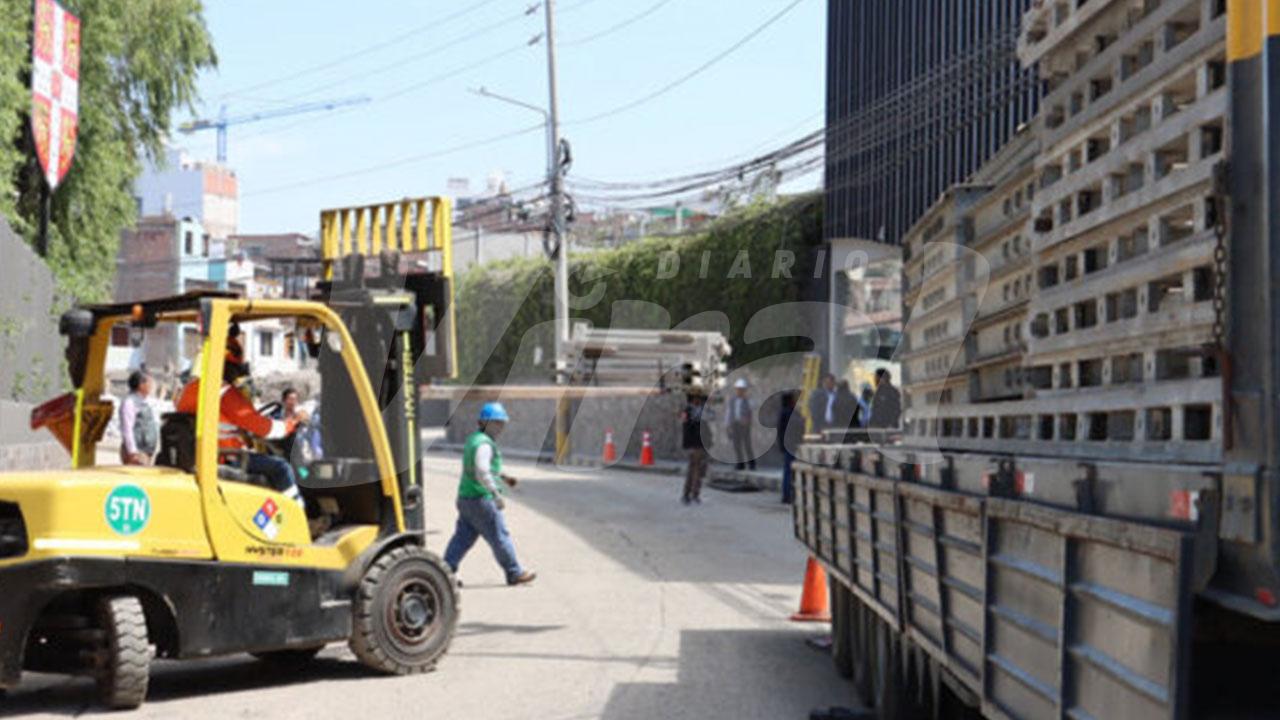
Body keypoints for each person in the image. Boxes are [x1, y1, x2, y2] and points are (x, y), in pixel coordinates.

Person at [176, 332, 307, 510]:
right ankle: (299, 517)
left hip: (201, 455)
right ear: (227, 366)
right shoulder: (223, 392)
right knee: (281, 467)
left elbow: (220, 422)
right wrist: (292, 422)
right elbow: (266, 429)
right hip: (227, 458)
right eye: (236, 369)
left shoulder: (189, 390)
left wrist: (243, 432)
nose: (238, 375)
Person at [444, 402, 536, 586]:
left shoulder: (474, 439)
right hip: (481, 499)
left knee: (462, 538)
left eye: (501, 423)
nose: (500, 427)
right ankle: (514, 573)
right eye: (497, 423)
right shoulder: (484, 444)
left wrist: (504, 477)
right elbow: (481, 470)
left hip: (466, 498)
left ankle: (445, 571)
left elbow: (482, 468)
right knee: (499, 535)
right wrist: (495, 494)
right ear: (486, 423)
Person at [680, 391, 714, 505]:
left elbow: (711, 418)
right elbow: (686, 428)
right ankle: (688, 494)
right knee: (693, 468)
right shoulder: (688, 410)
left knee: (700, 469)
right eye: (695, 397)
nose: (697, 400)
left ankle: (694, 494)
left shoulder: (704, 409)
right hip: (694, 443)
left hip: (703, 442)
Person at [119, 370, 158, 466]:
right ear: (141, 385)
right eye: (149, 382)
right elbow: (127, 428)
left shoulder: (146, 402)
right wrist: (132, 452)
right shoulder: (130, 403)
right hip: (136, 453)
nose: (151, 386)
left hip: (145, 452)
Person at [777, 392, 805, 504]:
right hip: (792, 445)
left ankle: (787, 494)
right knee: (790, 470)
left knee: (787, 470)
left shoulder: (783, 412)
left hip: (787, 444)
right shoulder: (790, 413)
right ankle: (788, 495)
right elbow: (798, 426)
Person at [725, 378, 756, 470]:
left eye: (741, 389)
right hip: (735, 424)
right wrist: (727, 424)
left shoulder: (748, 400)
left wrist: (747, 398)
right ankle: (740, 463)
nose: (739, 391)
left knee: (747, 444)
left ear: (744, 390)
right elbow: (729, 412)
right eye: (738, 389)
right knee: (736, 445)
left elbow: (753, 408)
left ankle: (752, 464)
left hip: (745, 425)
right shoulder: (732, 400)